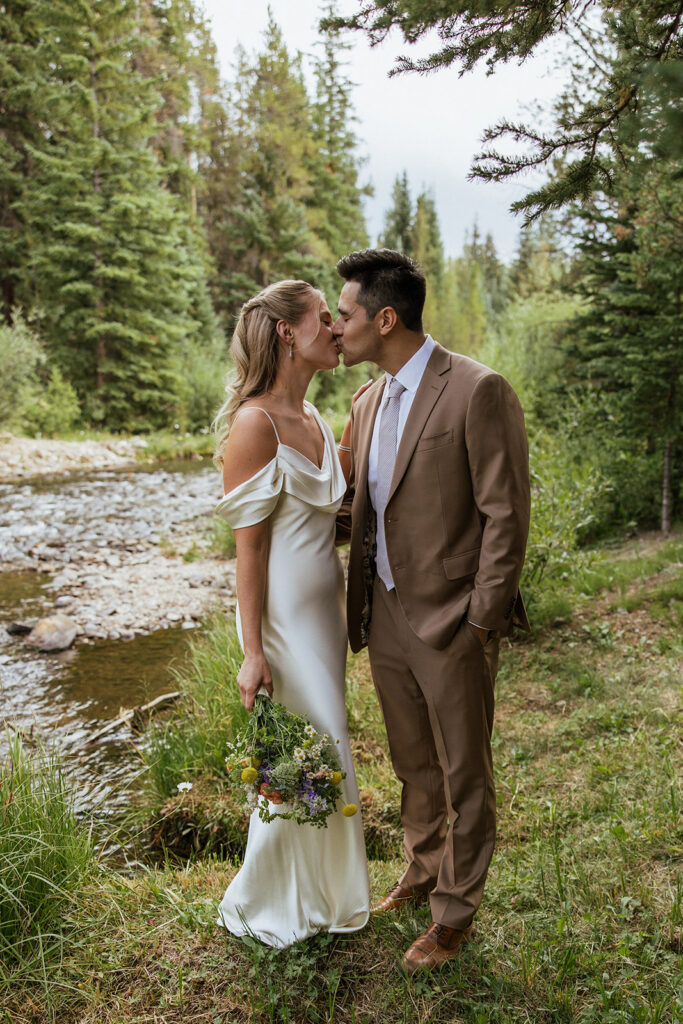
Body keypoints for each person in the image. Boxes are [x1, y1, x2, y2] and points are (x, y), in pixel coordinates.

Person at [333, 249, 530, 974]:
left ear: (384, 318)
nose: (336, 325)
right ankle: (419, 871)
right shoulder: (364, 399)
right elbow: (361, 508)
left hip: (453, 617)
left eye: (345, 313)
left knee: (464, 770)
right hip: (381, 613)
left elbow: (505, 514)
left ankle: (453, 914)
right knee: (413, 760)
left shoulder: (476, 389)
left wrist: (482, 617)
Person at [214, 279, 369, 948]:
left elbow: (330, 521)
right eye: (323, 318)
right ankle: (274, 901)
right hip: (281, 622)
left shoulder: (314, 421)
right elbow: (246, 554)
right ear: (286, 332)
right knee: (298, 759)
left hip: (325, 619)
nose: (335, 329)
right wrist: (253, 650)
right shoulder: (254, 423)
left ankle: (326, 897)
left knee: (322, 752)